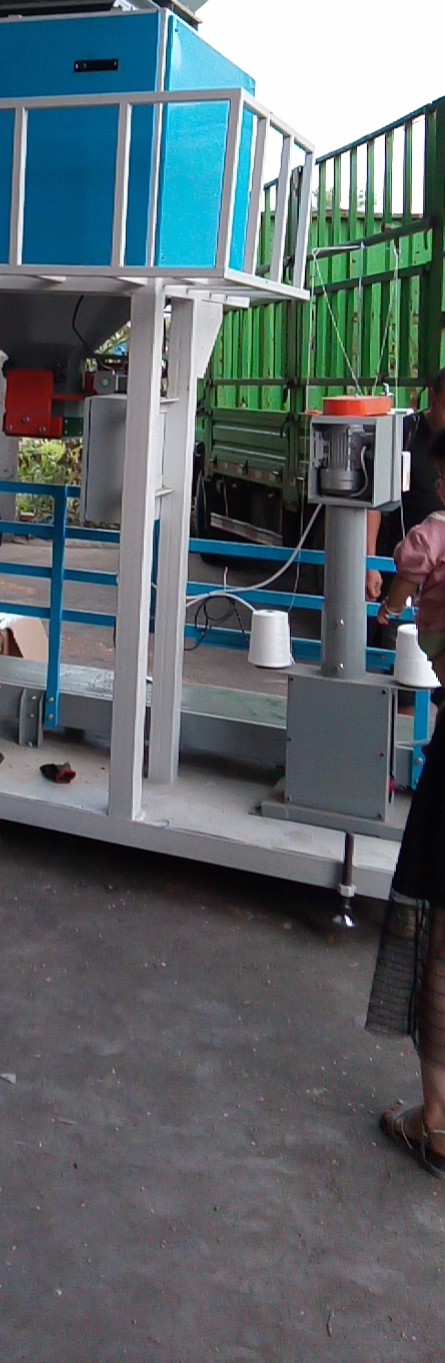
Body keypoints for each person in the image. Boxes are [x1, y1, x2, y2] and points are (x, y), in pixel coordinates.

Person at [367, 424, 445, 1175]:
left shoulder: (434, 533)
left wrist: (388, 609)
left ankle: (438, 1121)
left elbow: (406, 564)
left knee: (436, 926)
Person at [366, 372, 445, 601]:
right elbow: (374, 502)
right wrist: (370, 563)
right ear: (432, 397)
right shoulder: (404, 433)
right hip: (403, 566)